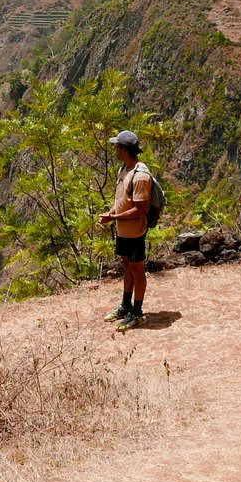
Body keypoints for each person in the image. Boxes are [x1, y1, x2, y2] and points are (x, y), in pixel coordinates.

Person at [96, 130, 153, 331]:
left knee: (137, 269)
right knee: (127, 265)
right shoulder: (124, 170)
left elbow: (141, 209)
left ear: (123, 149)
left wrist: (114, 218)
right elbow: (122, 200)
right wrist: (111, 213)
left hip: (135, 231)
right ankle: (125, 305)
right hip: (123, 231)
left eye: (116, 146)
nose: (114, 149)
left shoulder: (140, 176)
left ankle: (137, 312)